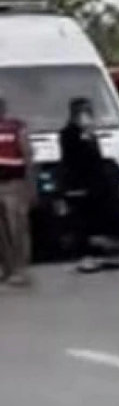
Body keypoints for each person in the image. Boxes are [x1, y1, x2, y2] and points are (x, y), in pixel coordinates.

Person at [59, 97, 117, 273]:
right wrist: (83, 135)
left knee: (95, 218)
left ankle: (98, 254)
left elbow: (96, 157)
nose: (88, 115)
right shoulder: (68, 133)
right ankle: (83, 256)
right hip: (78, 185)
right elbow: (73, 157)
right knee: (80, 221)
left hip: (95, 185)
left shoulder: (91, 133)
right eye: (84, 111)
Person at [0, 97, 34, 286]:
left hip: (14, 184)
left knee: (17, 228)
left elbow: (27, 154)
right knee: (2, 232)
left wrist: (30, 185)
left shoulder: (16, 128)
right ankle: (6, 268)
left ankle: (20, 269)